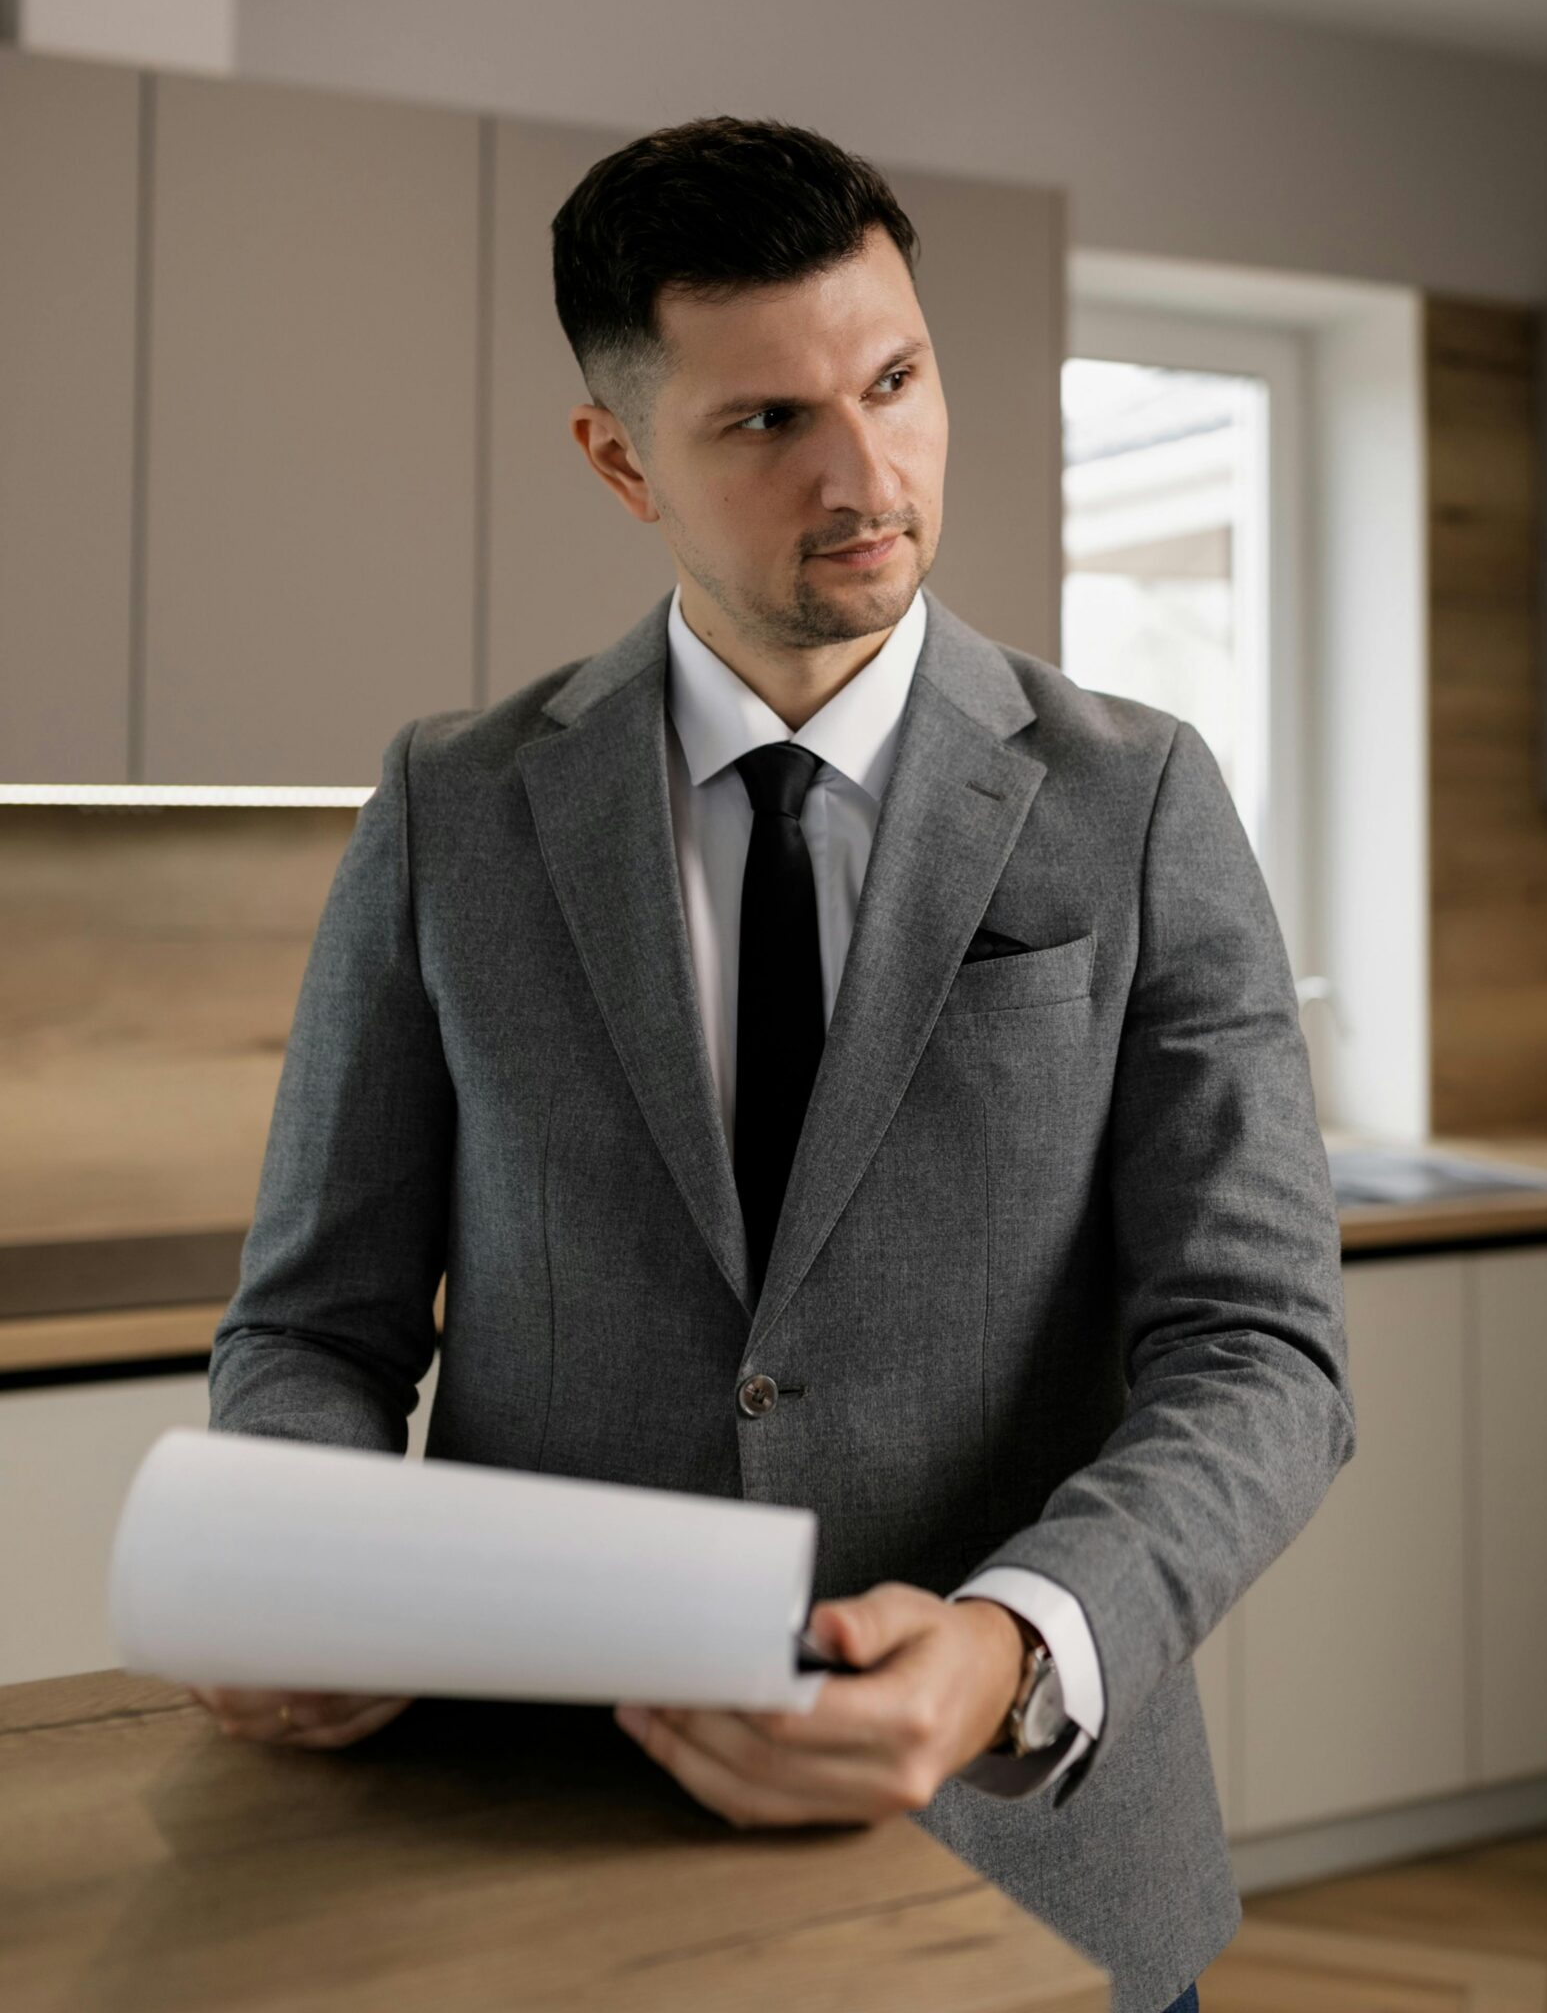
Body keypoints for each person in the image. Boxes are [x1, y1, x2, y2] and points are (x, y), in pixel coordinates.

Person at [195, 116, 1356, 2013]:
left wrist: (1010, 1641)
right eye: (764, 425)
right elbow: (311, 1332)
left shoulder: (1135, 799)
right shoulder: (454, 810)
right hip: (543, 1854)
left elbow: (1265, 1349)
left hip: (1036, 1870)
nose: (866, 473)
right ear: (617, 454)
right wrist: (317, 1562)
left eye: (895, 380)